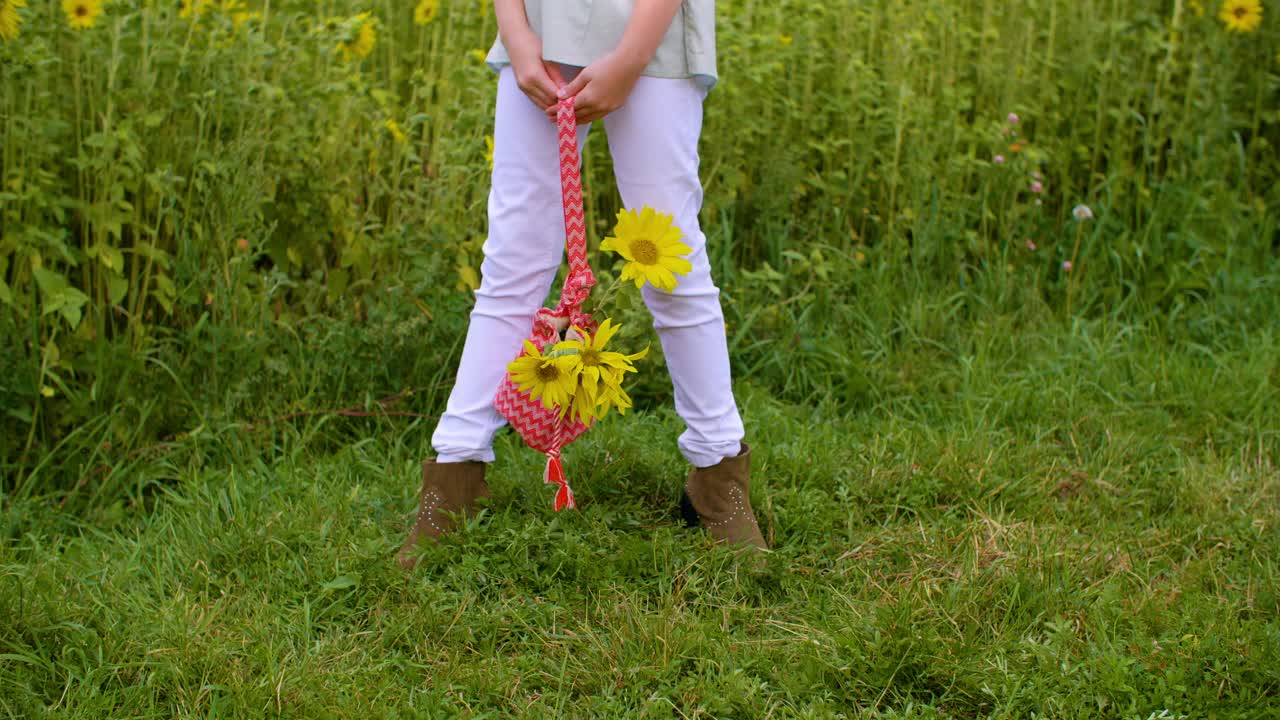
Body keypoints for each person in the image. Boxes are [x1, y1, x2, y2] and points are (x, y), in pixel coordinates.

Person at [396, 0, 768, 569]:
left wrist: (629, 58)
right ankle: (454, 475)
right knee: (514, 261)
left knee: (671, 263)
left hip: (652, 39)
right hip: (539, 32)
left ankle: (719, 474)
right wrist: (517, 37)